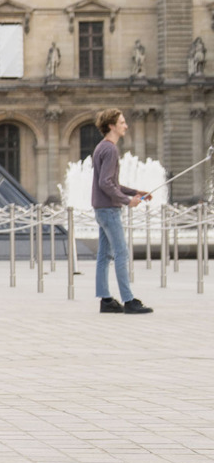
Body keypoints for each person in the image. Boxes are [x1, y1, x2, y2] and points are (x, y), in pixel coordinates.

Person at [91, 107, 152, 315]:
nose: (126, 125)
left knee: (103, 255)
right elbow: (106, 183)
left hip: (101, 208)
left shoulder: (101, 147)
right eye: (122, 122)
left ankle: (106, 299)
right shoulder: (110, 149)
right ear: (111, 126)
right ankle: (129, 301)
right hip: (109, 209)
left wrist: (135, 192)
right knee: (121, 253)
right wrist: (128, 201)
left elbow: (111, 183)